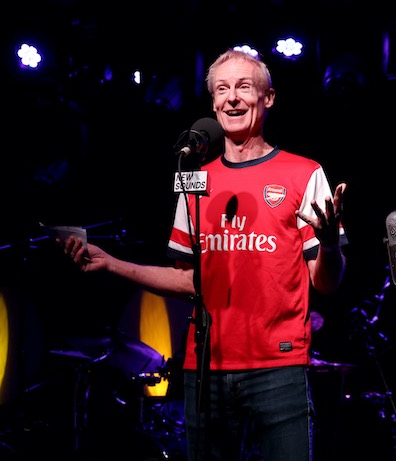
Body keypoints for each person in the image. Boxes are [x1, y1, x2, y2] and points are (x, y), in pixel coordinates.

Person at [58, 48, 348, 461]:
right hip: (205, 368)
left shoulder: (304, 173)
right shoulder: (194, 179)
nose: (231, 97)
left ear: (268, 98)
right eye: (222, 89)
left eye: (244, 87)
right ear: (212, 103)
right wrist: (112, 264)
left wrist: (332, 245)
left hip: (279, 365)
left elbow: (327, 281)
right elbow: (189, 279)